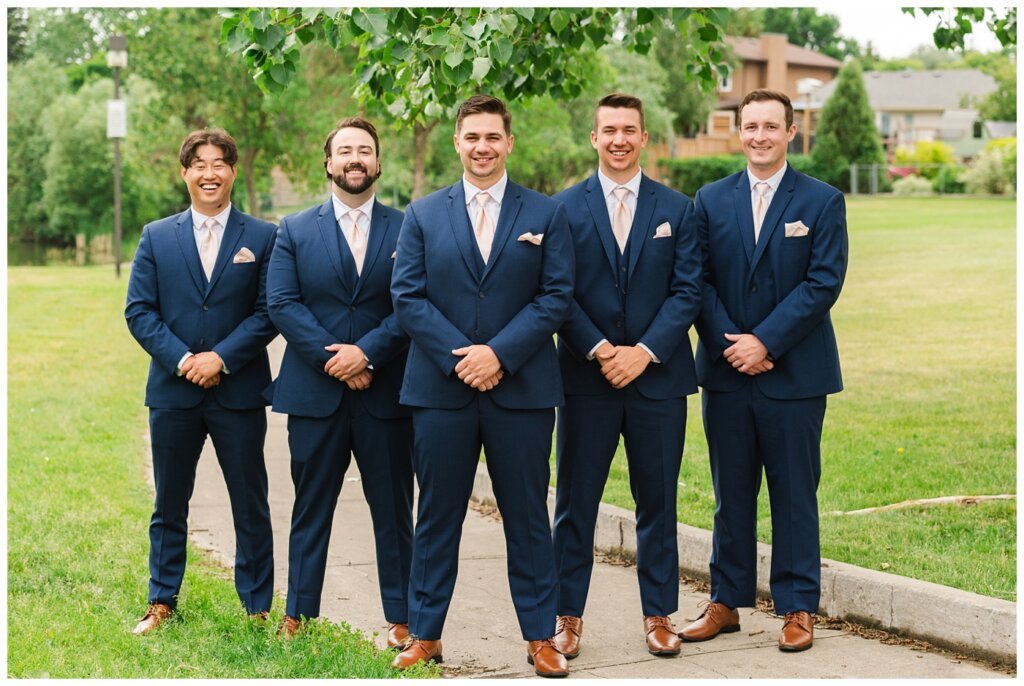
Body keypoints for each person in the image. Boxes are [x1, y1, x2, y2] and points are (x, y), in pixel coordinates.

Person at [390, 95, 574, 677]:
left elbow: (556, 297)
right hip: (441, 393)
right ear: (457, 143)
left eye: (492, 137)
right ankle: (425, 634)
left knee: (527, 517)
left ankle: (541, 636)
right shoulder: (421, 214)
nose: (482, 147)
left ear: (509, 143)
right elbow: (408, 297)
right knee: (437, 517)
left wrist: (500, 354)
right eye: (472, 137)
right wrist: (462, 359)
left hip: (521, 390)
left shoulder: (545, 215)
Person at [681, 89, 848, 652]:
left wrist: (766, 342)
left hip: (794, 374)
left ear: (790, 132)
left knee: (795, 493)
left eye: (770, 126)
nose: (759, 135)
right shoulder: (709, 199)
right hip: (728, 373)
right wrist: (735, 344)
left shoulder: (822, 201)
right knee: (731, 492)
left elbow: (823, 283)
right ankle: (726, 602)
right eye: (750, 125)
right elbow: (696, 281)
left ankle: (799, 607)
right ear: (739, 131)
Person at [550, 93, 702, 659]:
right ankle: (566, 617)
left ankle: (659, 614)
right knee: (575, 503)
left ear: (644, 138)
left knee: (658, 501)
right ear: (594, 138)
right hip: (586, 381)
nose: (618, 138)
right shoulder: (561, 209)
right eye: (608, 129)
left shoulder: (678, 209)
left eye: (629, 130)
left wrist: (643, 351)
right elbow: (556, 293)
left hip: (658, 381)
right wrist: (598, 349)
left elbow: (688, 292)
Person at [265, 118, 413, 645]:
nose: (355, 159)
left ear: (378, 163)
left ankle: (403, 617)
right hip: (315, 394)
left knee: (394, 511)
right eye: (345, 150)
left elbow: (413, 303)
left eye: (365, 151)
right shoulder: (294, 229)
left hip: (386, 391)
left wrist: (367, 353)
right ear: (328, 163)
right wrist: (338, 360)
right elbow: (281, 302)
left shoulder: (408, 226)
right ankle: (298, 612)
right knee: (310, 508)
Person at [125, 128, 277, 634]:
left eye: (220, 164)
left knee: (249, 499)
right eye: (199, 164)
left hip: (238, 391)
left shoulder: (262, 237)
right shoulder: (155, 236)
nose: (209, 173)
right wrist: (186, 359)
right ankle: (161, 601)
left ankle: (257, 607)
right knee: (169, 500)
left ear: (233, 172)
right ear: (185, 173)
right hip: (173, 392)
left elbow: (268, 312)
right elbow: (139, 311)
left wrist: (222, 359)